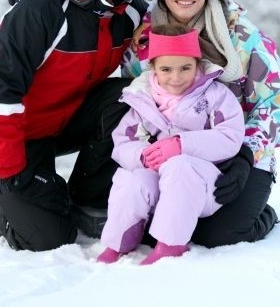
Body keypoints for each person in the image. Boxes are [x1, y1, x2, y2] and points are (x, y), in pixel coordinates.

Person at [0, 0, 151, 251]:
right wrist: (12, 173)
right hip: (15, 130)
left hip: (66, 119)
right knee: (52, 237)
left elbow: (175, 36)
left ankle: (85, 197)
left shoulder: (130, 15)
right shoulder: (43, 9)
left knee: (131, 98)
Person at [120, 0, 280, 248]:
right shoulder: (145, 39)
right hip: (173, 154)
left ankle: (260, 213)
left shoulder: (242, 36)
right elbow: (139, 100)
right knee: (154, 227)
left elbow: (277, 107)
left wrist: (244, 153)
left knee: (217, 235)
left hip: (237, 153)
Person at [98, 25, 245, 265]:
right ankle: (119, 242)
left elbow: (230, 136)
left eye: (185, 68)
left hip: (202, 186)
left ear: (197, 65)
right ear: (153, 68)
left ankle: (171, 244)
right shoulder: (142, 98)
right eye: (166, 69)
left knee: (180, 166)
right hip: (161, 186)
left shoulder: (214, 95)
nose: (176, 78)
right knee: (131, 179)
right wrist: (143, 156)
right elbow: (124, 140)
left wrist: (181, 144)